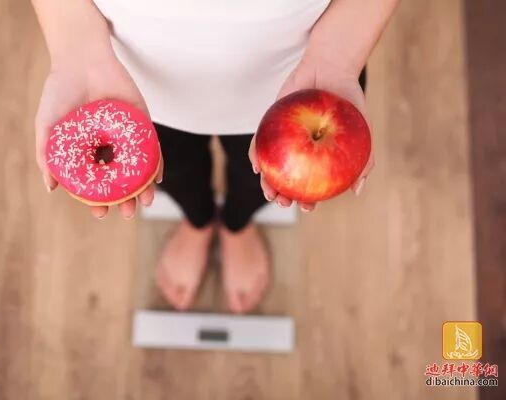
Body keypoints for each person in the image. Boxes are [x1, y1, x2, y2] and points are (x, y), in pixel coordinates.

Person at [32, 0, 398, 313]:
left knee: (260, 181)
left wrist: (337, 55)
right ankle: (197, 220)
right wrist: (73, 46)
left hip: (302, 81)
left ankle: (237, 224)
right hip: (125, 79)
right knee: (172, 171)